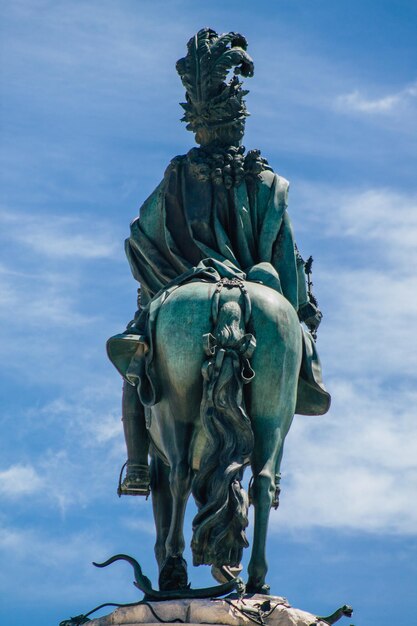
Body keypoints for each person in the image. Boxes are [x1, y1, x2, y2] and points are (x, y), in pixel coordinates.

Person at [107, 28, 330, 496]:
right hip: (259, 282)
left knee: (138, 362)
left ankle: (138, 466)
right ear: (238, 125)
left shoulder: (179, 174)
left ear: (198, 124)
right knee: (291, 338)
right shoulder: (268, 183)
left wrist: (157, 289)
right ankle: (302, 389)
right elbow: (284, 259)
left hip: (183, 282)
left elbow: (141, 236)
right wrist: (299, 314)